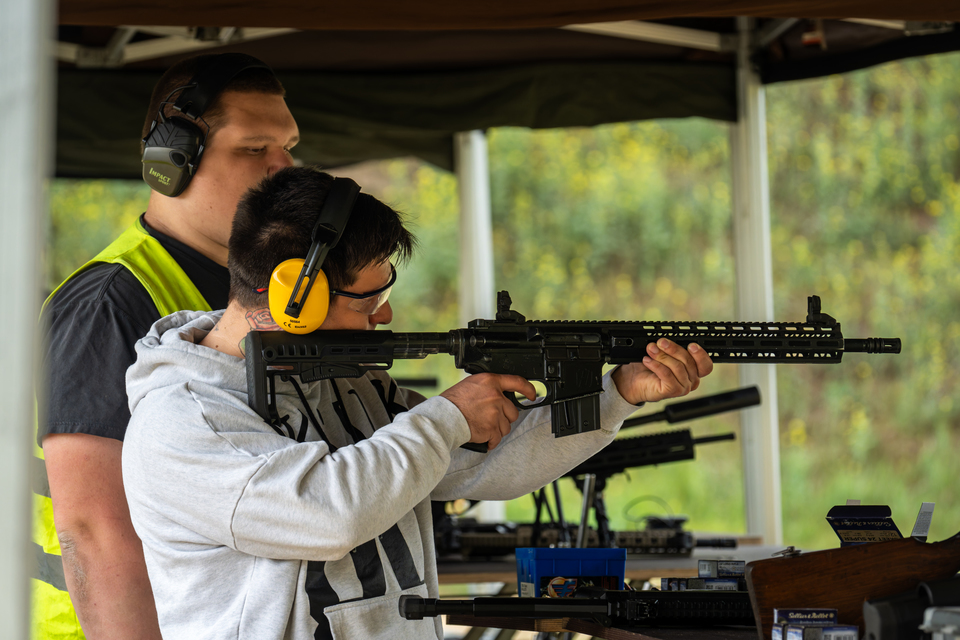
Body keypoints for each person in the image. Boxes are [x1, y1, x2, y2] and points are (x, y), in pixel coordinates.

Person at [121, 166, 714, 640]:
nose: (385, 316)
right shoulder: (183, 419)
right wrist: (447, 416)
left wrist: (618, 394)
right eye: (366, 300)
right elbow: (327, 514)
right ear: (294, 296)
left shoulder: (343, 381)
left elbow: (482, 462)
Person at [33, 53, 299, 639]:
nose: (284, 169)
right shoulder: (109, 302)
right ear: (170, 164)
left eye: (289, 147)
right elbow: (94, 527)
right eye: (254, 149)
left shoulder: (245, 291)